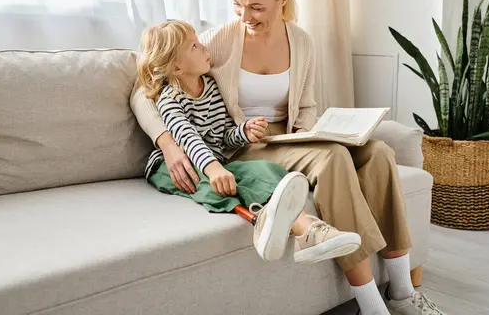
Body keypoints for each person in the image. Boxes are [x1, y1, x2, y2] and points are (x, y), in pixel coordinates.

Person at [131, 0, 445, 315]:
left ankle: (403, 294)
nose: (245, 16)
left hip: (290, 139)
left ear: (283, 0)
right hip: (247, 144)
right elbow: (145, 87)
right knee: (332, 158)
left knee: (378, 153)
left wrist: (307, 133)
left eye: (257, 7)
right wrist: (167, 143)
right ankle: (372, 306)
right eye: (237, 5)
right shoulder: (216, 41)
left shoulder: (302, 42)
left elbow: (307, 105)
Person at [136, 19, 361, 264]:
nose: (204, 48)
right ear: (177, 68)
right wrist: (214, 170)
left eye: (199, 42)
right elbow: (189, 140)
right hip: (176, 167)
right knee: (215, 188)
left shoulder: (210, 87)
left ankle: (298, 229)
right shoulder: (170, 99)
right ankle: (292, 226)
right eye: (194, 47)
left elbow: (223, 135)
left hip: (216, 160)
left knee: (266, 170)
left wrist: (244, 132)